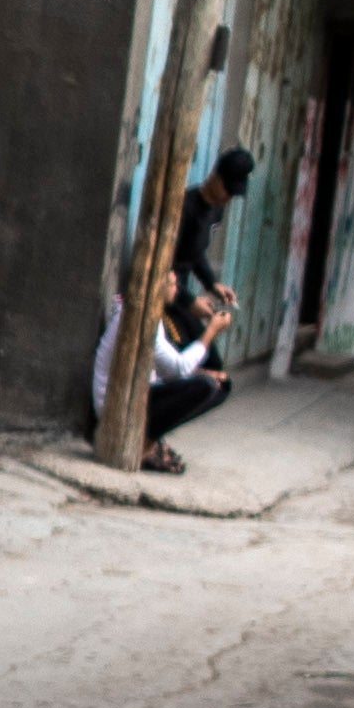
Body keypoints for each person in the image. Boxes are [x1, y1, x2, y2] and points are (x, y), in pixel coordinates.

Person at [92, 278, 236, 470]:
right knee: (205, 386)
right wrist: (211, 331)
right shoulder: (140, 317)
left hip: (139, 393)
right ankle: (145, 444)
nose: (177, 289)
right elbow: (177, 369)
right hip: (119, 405)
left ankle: (152, 440)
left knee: (220, 386)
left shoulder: (153, 316)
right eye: (173, 285)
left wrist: (202, 372)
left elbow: (166, 370)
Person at [170, 145, 256, 313]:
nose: (228, 198)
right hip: (168, 293)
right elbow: (165, 265)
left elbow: (194, 254)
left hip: (181, 293)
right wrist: (190, 302)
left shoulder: (216, 210)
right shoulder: (185, 208)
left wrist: (212, 284)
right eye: (228, 190)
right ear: (216, 177)